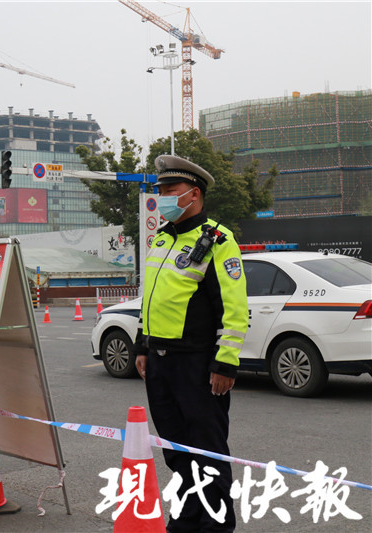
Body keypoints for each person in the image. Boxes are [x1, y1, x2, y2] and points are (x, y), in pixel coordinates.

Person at [134, 154, 248, 532]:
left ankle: (215, 526)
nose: (162, 197)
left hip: (197, 364)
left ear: (193, 193)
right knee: (176, 449)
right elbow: (149, 296)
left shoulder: (218, 240)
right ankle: (185, 520)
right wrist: (142, 345)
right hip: (161, 362)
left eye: (169, 191)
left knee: (208, 451)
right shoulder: (163, 237)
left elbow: (234, 308)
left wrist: (226, 362)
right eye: (160, 191)